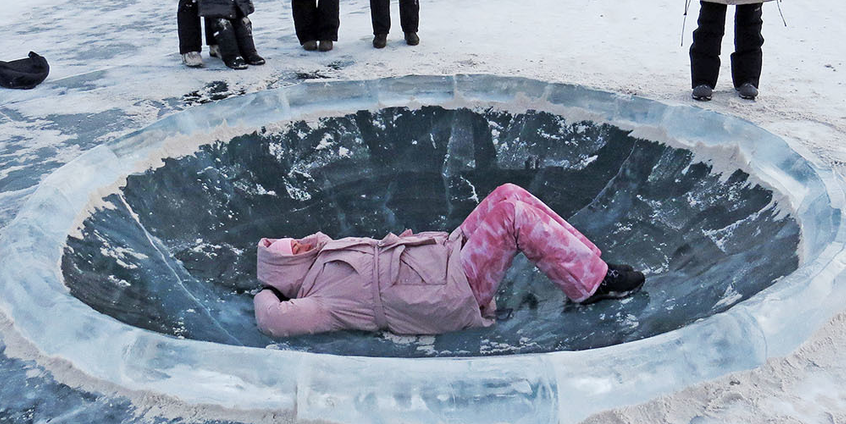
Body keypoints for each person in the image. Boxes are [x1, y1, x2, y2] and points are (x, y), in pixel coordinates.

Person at [253, 184, 646, 337]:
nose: (304, 244)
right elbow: (274, 320)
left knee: (506, 195)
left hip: (443, 260)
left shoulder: (328, 254)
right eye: (296, 250)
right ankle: (593, 284)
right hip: (445, 293)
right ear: (290, 271)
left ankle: (588, 267)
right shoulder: (322, 300)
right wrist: (267, 291)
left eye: (298, 242)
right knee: (512, 217)